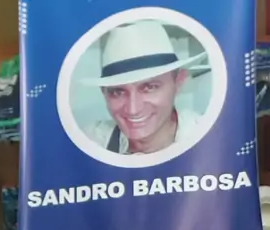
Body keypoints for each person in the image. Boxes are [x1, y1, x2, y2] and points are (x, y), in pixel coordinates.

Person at [82, 21, 208, 155]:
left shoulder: (209, 137)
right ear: (104, 92)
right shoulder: (90, 143)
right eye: (118, 92)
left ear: (178, 82)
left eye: (150, 87)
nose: (133, 110)